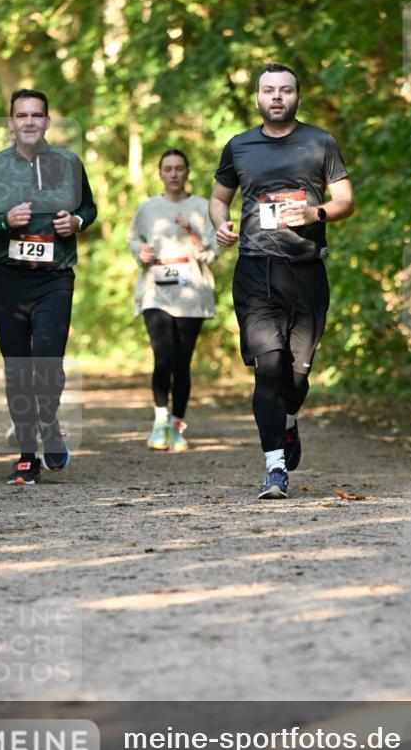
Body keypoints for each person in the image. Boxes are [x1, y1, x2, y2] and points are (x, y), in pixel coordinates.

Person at [210, 63, 354, 500]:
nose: (277, 97)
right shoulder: (239, 146)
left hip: (307, 270)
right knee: (268, 369)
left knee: (295, 380)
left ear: (297, 97)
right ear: (257, 98)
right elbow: (219, 198)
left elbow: (345, 199)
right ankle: (274, 468)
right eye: (269, 90)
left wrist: (317, 213)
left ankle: (289, 420)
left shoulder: (320, 142)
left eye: (286, 90)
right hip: (256, 269)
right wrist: (221, 224)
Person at [0, 88, 97, 485]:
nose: (29, 122)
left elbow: (88, 208)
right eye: (21, 115)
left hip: (55, 278)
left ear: (47, 121)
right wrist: (5, 222)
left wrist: (76, 223)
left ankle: (50, 423)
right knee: (18, 370)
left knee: (49, 364)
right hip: (7, 279)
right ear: (10, 123)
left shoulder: (68, 163)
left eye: (36, 115)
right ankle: (27, 455)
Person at [128, 149, 218, 452]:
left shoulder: (203, 207)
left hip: (191, 295)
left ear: (187, 172)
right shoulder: (147, 208)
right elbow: (133, 239)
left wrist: (192, 231)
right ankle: (159, 421)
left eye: (179, 168)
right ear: (160, 173)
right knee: (163, 355)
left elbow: (212, 252)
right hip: (156, 292)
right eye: (168, 168)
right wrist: (140, 251)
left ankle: (178, 426)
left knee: (182, 363)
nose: (174, 174)